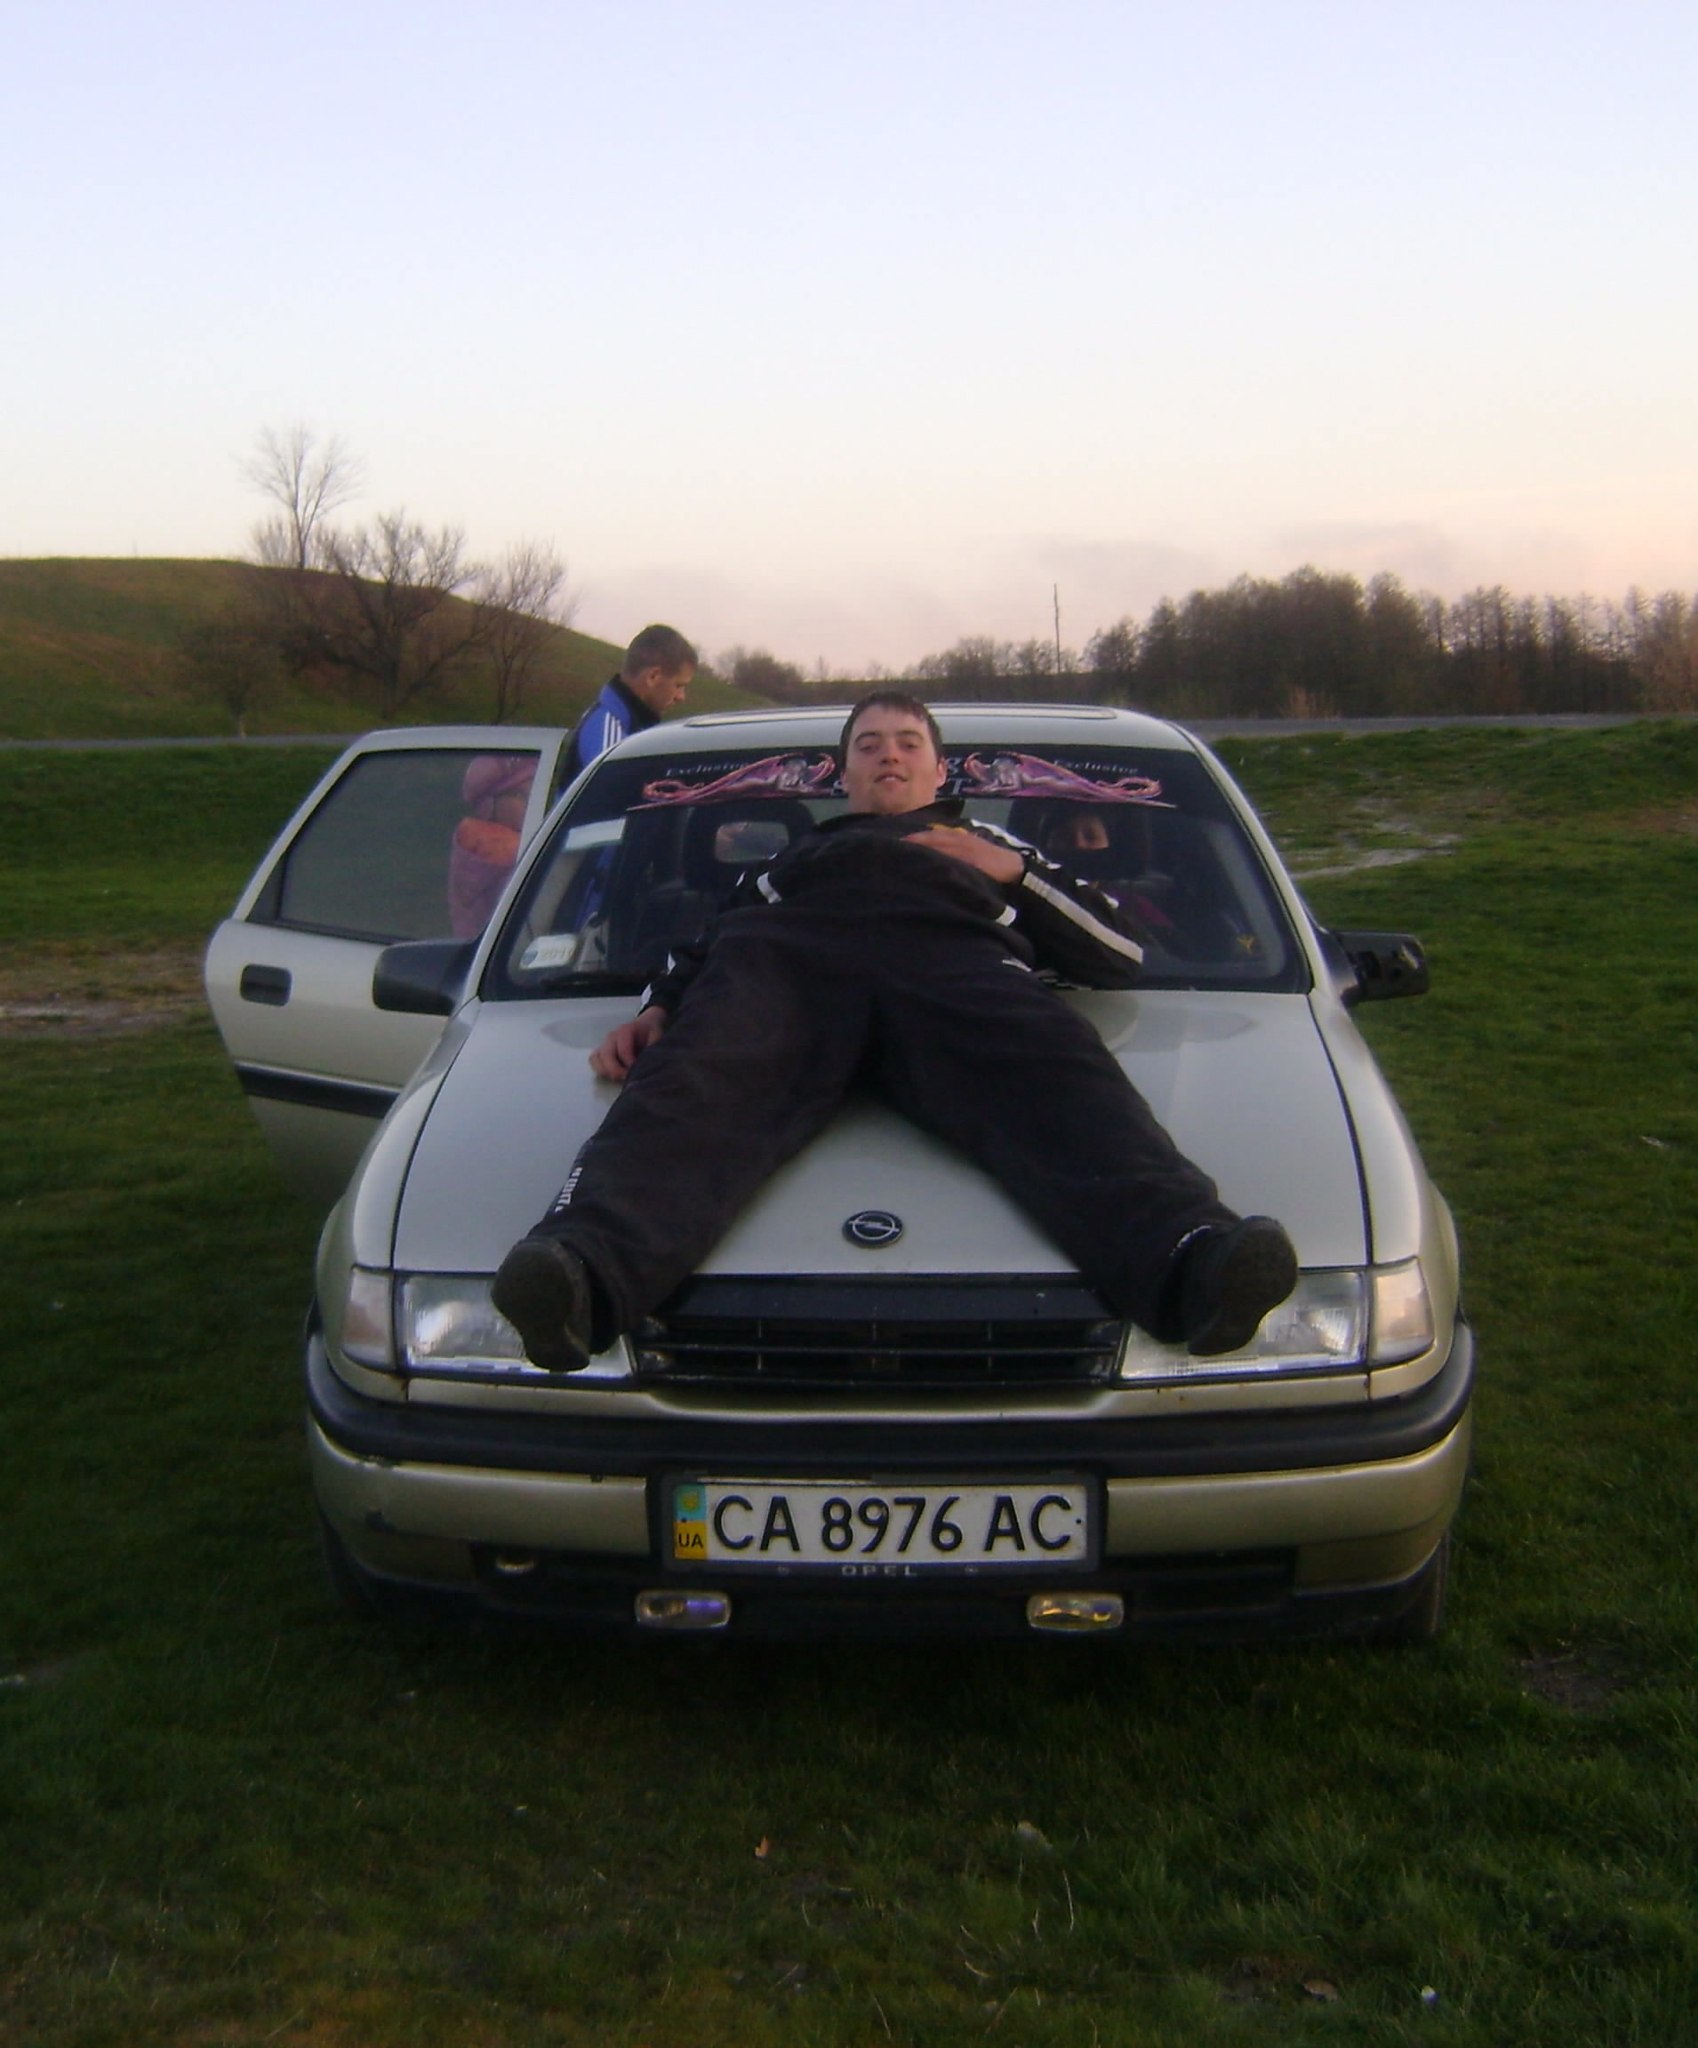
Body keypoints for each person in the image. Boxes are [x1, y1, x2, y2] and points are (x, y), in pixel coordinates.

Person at [492, 692, 1296, 1371]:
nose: (889, 755)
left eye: (909, 743)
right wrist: (656, 1010)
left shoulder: (996, 848)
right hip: (786, 965)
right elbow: (701, 948)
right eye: (869, 744)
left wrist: (1015, 874)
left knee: (1067, 1080)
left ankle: (1194, 1260)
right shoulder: (783, 864)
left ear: (940, 772)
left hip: (953, 966)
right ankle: (580, 1274)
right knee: (691, 1083)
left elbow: (1117, 952)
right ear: (843, 774)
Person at [562, 624, 697, 782]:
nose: (681, 697)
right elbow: (619, 793)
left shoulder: (628, 726)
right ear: (653, 677)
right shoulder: (609, 734)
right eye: (679, 685)